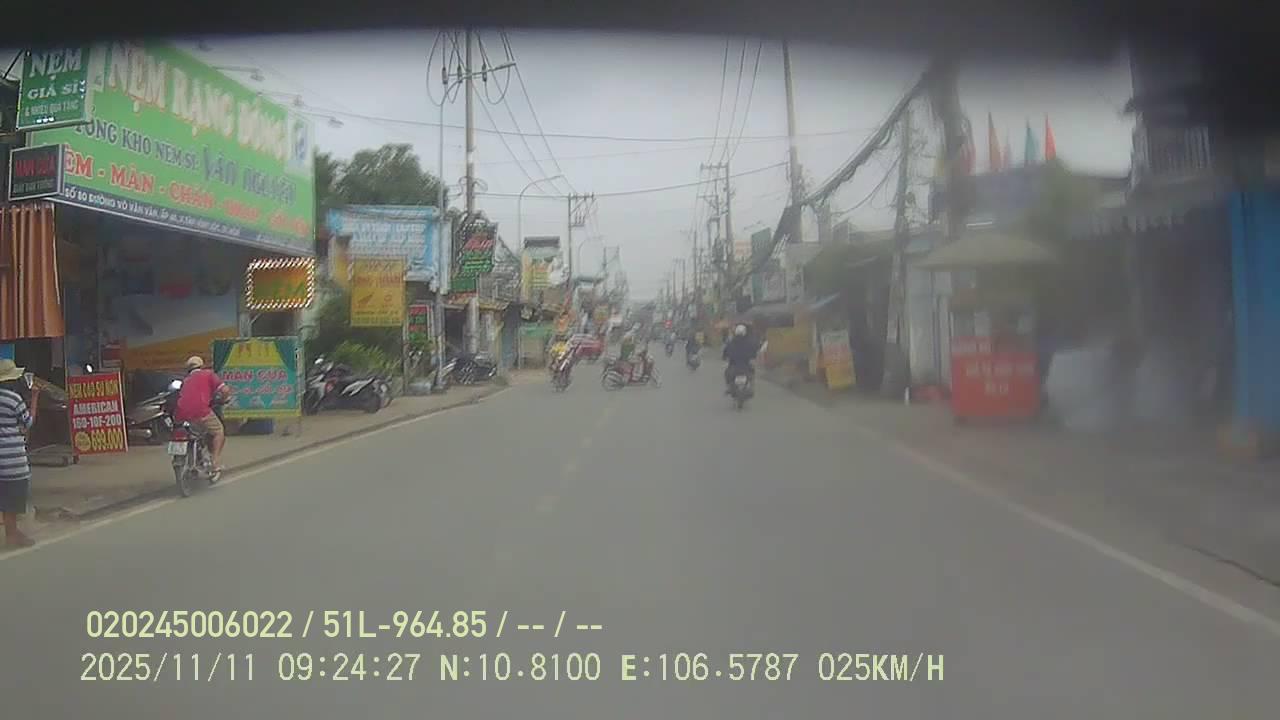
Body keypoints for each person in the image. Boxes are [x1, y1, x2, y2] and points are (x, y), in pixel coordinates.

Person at [0, 359, 37, 547]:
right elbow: (28, 422)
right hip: (12, 457)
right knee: (13, 497)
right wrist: (35, 399)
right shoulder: (14, 399)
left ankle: (12, 532)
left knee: (5, 497)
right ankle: (12, 534)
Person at [174, 355, 230, 472]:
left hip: (181, 414)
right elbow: (225, 390)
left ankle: (196, 456)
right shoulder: (208, 374)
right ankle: (214, 462)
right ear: (201, 365)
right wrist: (224, 399)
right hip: (201, 410)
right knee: (219, 432)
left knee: (196, 433)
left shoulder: (186, 380)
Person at [722, 323, 762, 393]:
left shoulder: (731, 342)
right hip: (746, 365)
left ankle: (729, 387)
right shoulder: (750, 342)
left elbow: (725, 352)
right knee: (752, 373)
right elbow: (755, 351)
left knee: (727, 373)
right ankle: (751, 387)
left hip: (734, 365)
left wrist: (725, 357)